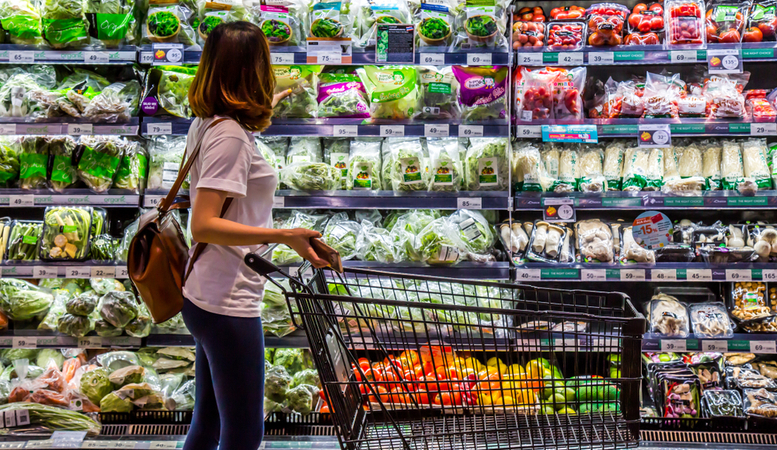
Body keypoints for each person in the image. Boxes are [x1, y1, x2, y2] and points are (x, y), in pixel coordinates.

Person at [182, 21, 329, 450]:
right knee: (244, 435)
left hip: (207, 292)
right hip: (226, 303)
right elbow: (204, 223)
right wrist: (282, 235)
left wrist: (274, 102)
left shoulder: (213, 122)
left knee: (207, 427)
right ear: (254, 70)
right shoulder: (229, 137)